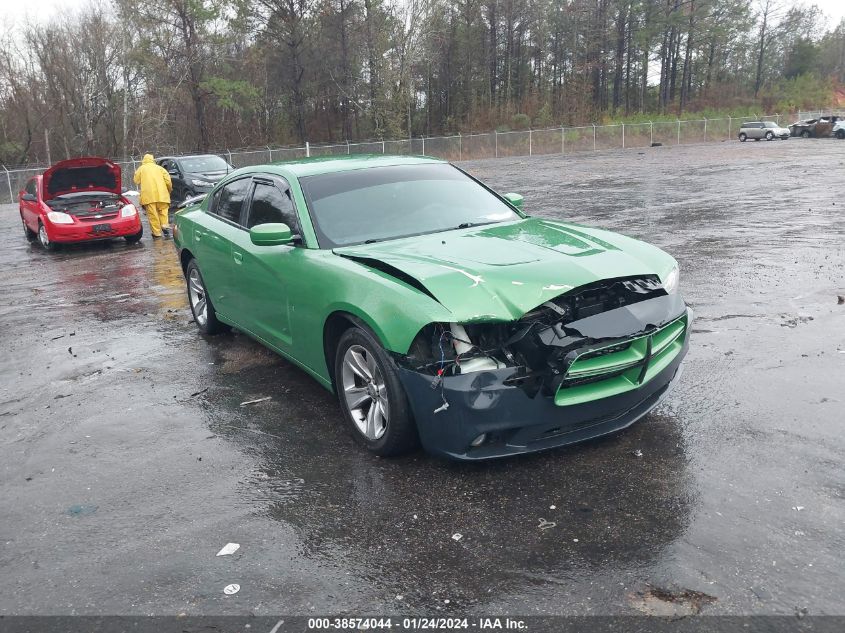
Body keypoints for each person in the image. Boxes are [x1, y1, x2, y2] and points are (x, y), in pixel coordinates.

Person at [133, 154, 173, 238]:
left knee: (153, 215)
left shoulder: (141, 169)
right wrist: (169, 190)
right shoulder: (160, 168)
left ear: (144, 160)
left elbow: (136, 181)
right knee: (163, 213)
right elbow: (168, 181)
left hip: (149, 196)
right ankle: (165, 226)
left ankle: (157, 233)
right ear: (152, 160)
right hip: (162, 195)